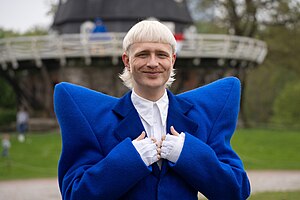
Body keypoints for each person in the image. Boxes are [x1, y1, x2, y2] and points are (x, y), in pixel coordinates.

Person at [54, 20, 250, 200]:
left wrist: (187, 153)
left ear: (172, 60)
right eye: (142, 54)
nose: (153, 63)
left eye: (161, 54)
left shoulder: (199, 119)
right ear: (127, 61)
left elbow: (236, 190)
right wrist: (130, 158)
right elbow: (75, 194)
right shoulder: (98, 123)